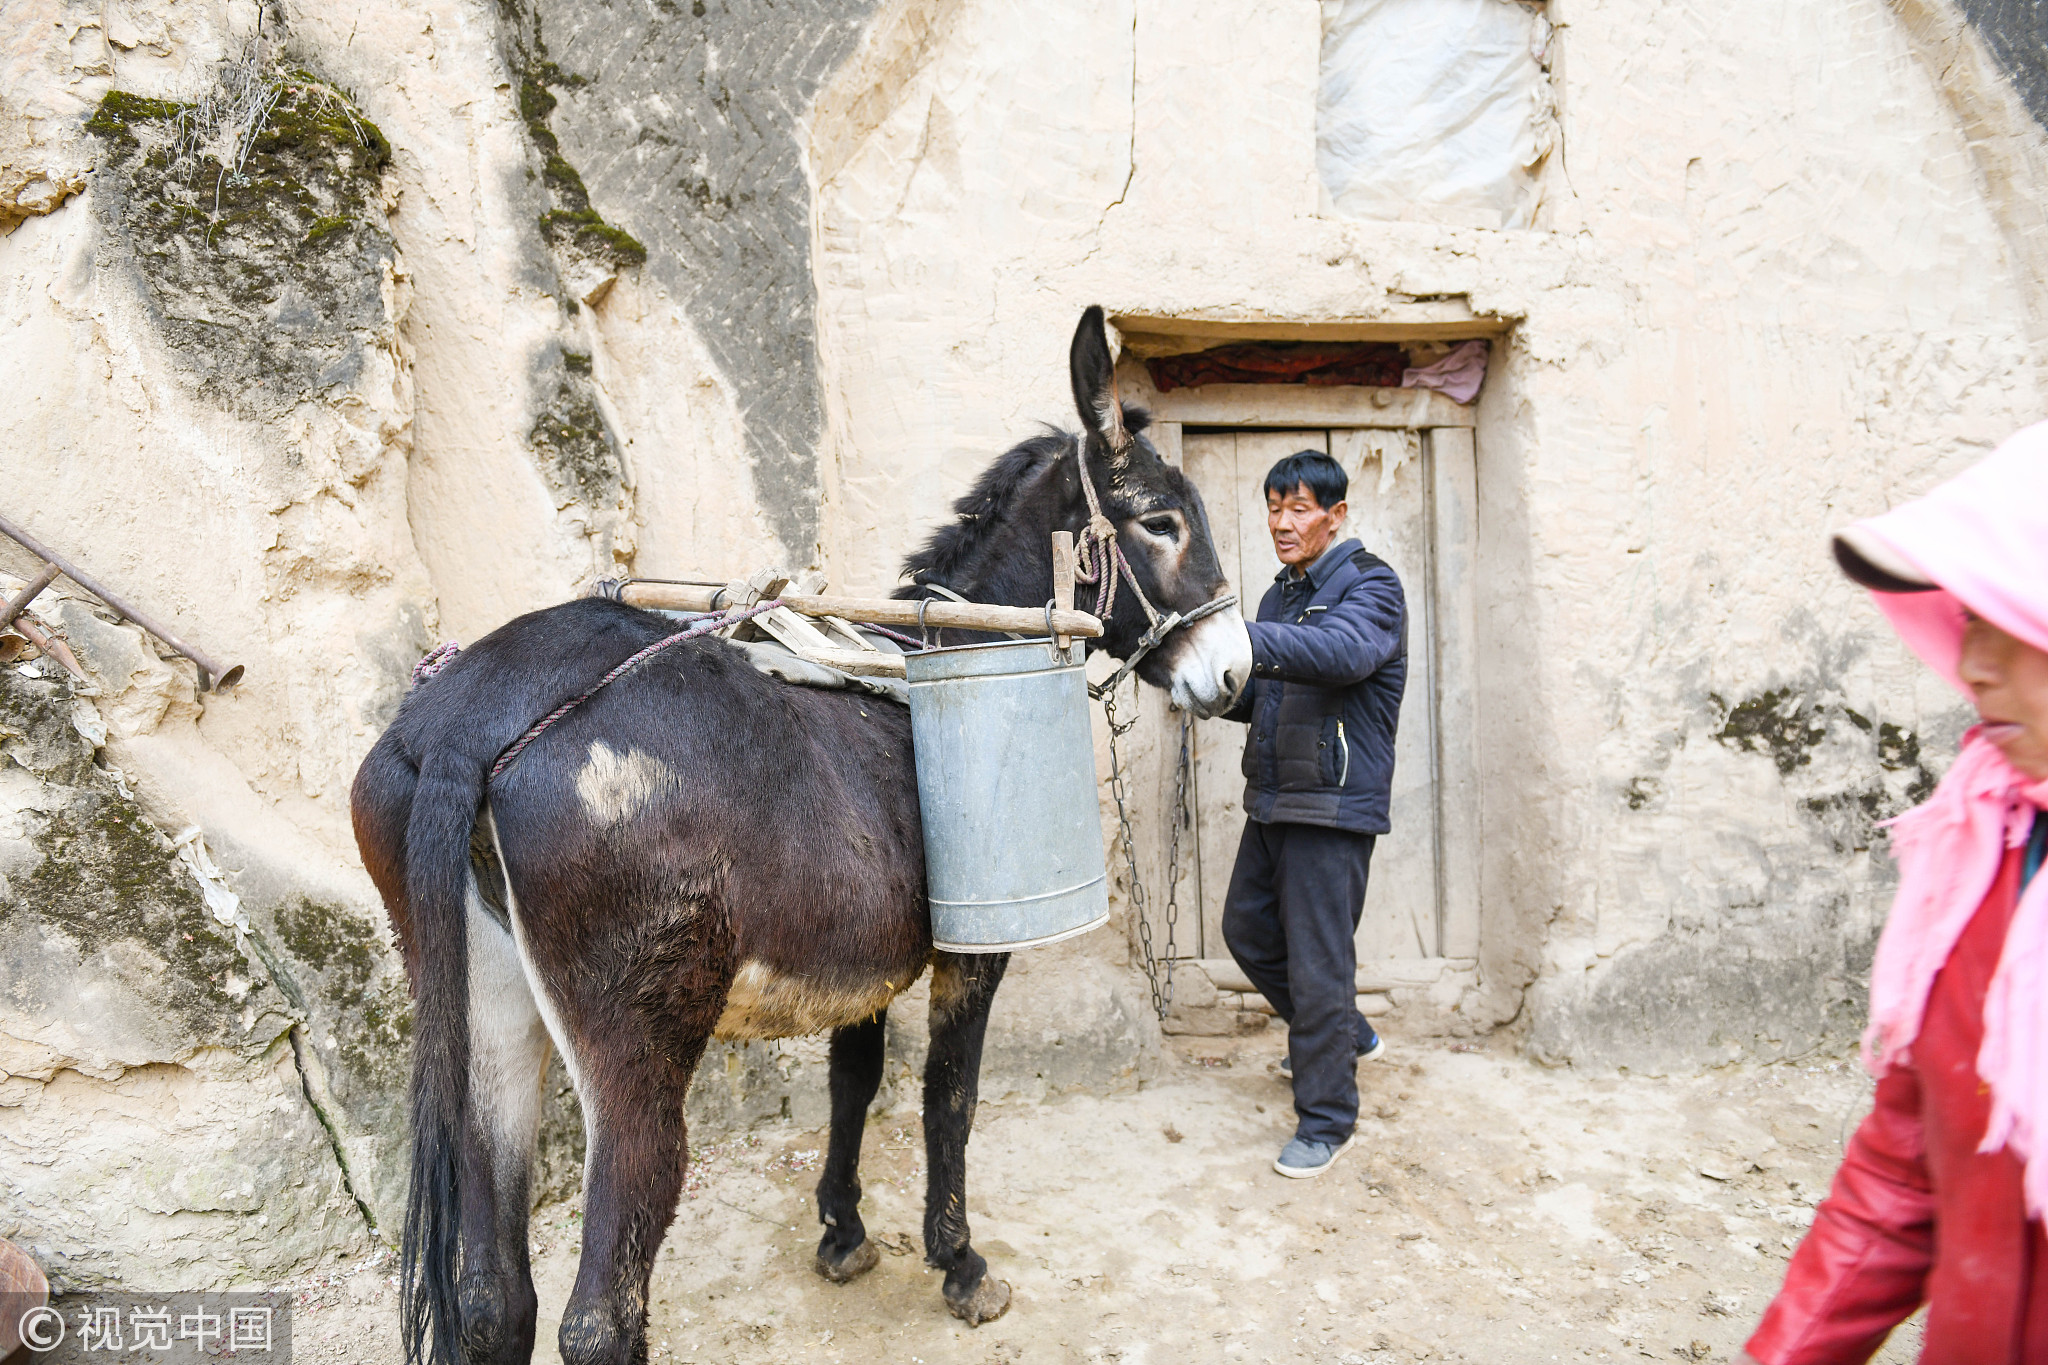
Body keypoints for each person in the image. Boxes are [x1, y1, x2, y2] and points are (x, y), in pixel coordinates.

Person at [1742, 424, 2048, 1363]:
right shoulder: (1990, 847)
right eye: (1969, 627)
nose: (1977, 667)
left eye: (2010, 621)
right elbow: (1906, 1162)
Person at [1219, 450, 1407, 1179]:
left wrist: (1235, 638)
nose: (1281, 522)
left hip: (1333, 804)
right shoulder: (1280, 597)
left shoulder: (1372, 587)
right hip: (1274, 795)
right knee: (1247, 930)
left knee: (1320, 965)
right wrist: (1212, 684)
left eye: (1298, 508)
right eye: (1273, 508)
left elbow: (1344, 653)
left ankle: (1328, 1119)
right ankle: (1346, 1035)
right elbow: (1272, 692)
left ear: (1337, 515)